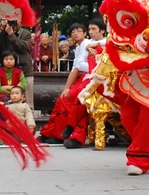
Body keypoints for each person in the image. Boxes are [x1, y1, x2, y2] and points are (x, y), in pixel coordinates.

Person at [38, 20, 106, 148]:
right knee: (64, 99)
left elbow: (84, 66)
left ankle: (75, 135)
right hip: (88, 78)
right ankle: (55, 133)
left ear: (102, 30)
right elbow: (76, 68)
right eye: (90, 29)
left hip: (100, 80)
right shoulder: (82, 46)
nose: (91, 32)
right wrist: (66, 88)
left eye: (93, 29)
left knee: (79, 100)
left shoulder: (93, 43)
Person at [0, 19, 34, 109]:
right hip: (8, 70)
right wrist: (2, 29)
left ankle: (29, 120)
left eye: (16, 20)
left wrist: (11, 34)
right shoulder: (4, 33)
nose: (13, 23)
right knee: (9, 101)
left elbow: (22, 47)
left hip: (24, 69)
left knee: (28, 102)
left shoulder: (25, 33)